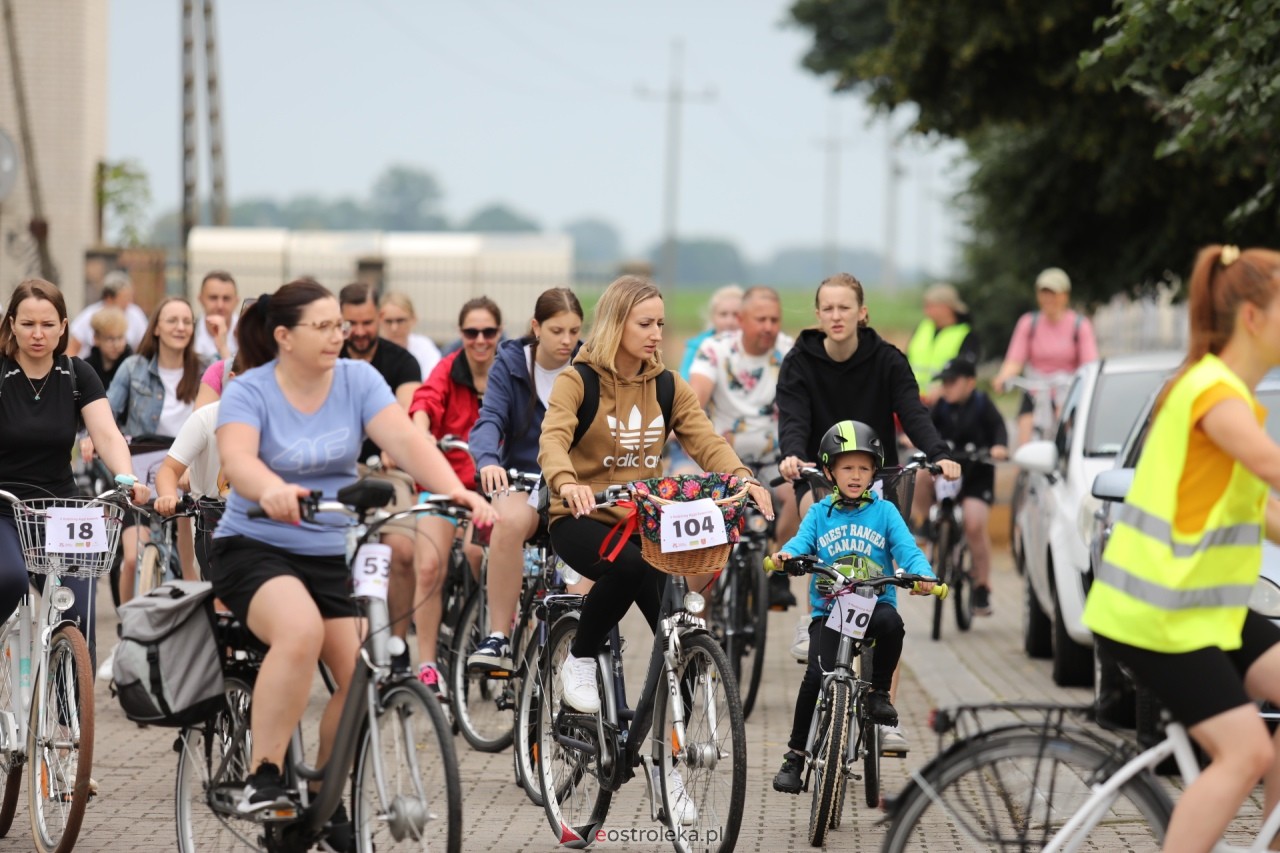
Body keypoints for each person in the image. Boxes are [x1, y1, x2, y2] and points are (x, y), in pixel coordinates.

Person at [210, 279, 493, 827]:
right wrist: (268, 486)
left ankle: (323, 802)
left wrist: (454, 490)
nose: (338, 335)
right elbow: (238, 459)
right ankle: (263, 775)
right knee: (299, 632)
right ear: (284, 337)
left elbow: (409, 443)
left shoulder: (358, 380)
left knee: (368, 667)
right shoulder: (251, 390)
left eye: (339, 325)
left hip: (327, 550)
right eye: (323, 327)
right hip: (255, 545)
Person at [539, 274, 773, 824]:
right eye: (645, 323)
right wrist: (567, 479)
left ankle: (669, 776)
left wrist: (741, 476)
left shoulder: (667, 385)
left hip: (645, 523)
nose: (656, 333)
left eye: (661, 323)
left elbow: (704, 437)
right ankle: (578, 658)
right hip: (580, 516)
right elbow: (553, 436)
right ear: (616, 323)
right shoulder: (579, 380)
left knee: (681, 641)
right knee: (623, 565)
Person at [1081, 245, 1280, 853]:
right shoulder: (1213, 394)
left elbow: (1265, 511)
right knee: (1244, 752)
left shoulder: (1227, 395)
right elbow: (1273, 467)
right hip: (1155, 617)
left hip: (1197, 611)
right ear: (1252, 316)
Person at [775, 272, 960, 753]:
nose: (836, 316)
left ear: (863, 313)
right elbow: (793, 417)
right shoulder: (799, 361)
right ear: (818, 315)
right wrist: (793, 454)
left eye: (845, 308)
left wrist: (938, 453)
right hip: (821, 473)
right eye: (827, 308)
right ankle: (810, 615)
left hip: (879, 476)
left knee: (884, 592)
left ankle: (883, 715)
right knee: (817, 517)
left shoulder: (887, 360)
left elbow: (911, 412)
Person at [770, 420, 936, 794]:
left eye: (864, 468)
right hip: (829, 612)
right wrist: (787, 556)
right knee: (815, 675)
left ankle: (878, 694)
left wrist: (923, 575)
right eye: (847, 467)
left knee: (893, 624)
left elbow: (907, 550)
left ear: (874, 471)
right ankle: (795, 755)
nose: (856, 475)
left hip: (873, 607)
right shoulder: (819, 513)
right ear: (830, 471)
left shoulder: (886, 513)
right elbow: (801, 543)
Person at [0, 279, 149, 674]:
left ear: (64, 326)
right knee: (9, 579)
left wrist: (128, 480)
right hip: (3, 506)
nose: (38, 334)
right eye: (28, 323)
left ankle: (69, 712)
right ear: (11, 323)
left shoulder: (76, 373)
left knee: (78, 605)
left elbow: (106, 434)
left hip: (60, 507)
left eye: (48, 324)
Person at [466, 287, 588, 672]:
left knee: (598, 541)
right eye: (556, 331)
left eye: (573, 330)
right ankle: (499, 636)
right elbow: (490, 419)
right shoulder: (511, 364)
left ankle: (577, 648)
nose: (566, 340)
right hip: (522, 478)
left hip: (573, 483)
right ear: (536, 327)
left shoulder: (589, 365)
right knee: (509, 522)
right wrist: (488, 460)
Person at [408, 296, 500, 694]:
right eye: (470, 332)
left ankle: (498, 628)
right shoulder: (447, 369)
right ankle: (427, 664)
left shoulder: (509, 372)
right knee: (428, 566)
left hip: (491, 489)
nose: (480, 340)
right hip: (444, 483)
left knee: (484, 552)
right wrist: (422, 431)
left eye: (488, 332)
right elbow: (424, 402)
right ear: (460, 334)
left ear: (499, 333)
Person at [687, 285, 800, 609]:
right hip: (723, 459)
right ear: (740, 319)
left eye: (774, 319)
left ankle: (779, 566)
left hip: (773, 459)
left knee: (800, 494)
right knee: (702, 531)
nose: (768, 326)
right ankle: (697, 618)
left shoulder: (788, 350)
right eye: (760, 319)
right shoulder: (715, 350)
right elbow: (695, 403)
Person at [339, 283, 424, 673]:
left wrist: (396, 440)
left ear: (378, 318)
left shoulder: (402, 362)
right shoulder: (329, 356)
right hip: (336, 471)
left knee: (403, 553)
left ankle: (397, 642)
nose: (358, 331)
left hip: (388, 472)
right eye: (350, 323)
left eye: (367, 322)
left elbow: (405, 412)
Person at [105, 296, 208, 609]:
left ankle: (194, 629)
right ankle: (129, 631)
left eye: (187, 321)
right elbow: (104, 413)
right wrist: (89, 438)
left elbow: (234, 381)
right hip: (140, 474)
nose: (180, 327)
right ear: (157, 328)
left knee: (191, 564)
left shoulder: (204, 369)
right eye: (172, 320)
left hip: (186, 473)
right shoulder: (133, 368)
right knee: (134, 557)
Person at [154, 306, 272, 575]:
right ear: (233, 381)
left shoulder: (282, 422)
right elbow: (169, 470)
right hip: (213, 524)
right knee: (216, 594)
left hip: (265, 523)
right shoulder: (206, 418)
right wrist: (168, 494)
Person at [928, 357, 1009, 616]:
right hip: (948, 473)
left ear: (971, 382)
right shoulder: (940, 406)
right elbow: (925, 429)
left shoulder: (983, 405)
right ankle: (924, 525)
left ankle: (982, 587)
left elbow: (999, 429)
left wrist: (999, 447)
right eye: (944, 382)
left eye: (953, 382)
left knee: (974, 525)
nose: (947, 387)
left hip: (977, 474)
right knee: (918, 476)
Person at [992, 267, 1099, 447]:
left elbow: (1090, 364)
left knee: (1065, 430)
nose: (1048, 298)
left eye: (1053, 293)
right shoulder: (1028, 323)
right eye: (1044, 293)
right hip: (1036, 388)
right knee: (1024, 442)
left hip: (1066, 388)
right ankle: (1023, 473)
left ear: (1065, 295)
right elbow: (1015, 359)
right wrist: (1003, 377)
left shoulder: (1080, 325)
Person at [906, 282, 979, 406]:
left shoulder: (965, 334)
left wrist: (943, 389)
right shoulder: (922, 328)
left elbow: (966, 372)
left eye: (931, 306)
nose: (926, 311)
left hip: (946, 403)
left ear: (947, 307)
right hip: (914, 400)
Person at [66, 269, 150, 356]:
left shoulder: (135, 314)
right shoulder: (89, 315)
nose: (129, 302)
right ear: (109, 298)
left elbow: (142, 347)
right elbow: (72, 348)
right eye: (125, 298)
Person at [677, 284, 742, 381]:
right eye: (723, 314)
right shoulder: (696, 347)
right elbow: (683, 385)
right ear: (713, 317)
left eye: (736, 314)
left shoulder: (756, 349)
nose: (729, 321)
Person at [378, 291, 442, 380]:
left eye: (400, 320)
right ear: (379, 321)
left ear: (413, 319)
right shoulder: (372, 349)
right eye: (388, 321)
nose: (394, 328)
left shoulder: (424, 347)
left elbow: (432, 382)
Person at [192, 270, 239, 361]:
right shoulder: (187, 332)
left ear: (236, 301)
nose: (220, 305)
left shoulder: (248, 334)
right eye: (213, 298)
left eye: (226, 298)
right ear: (200, 299)